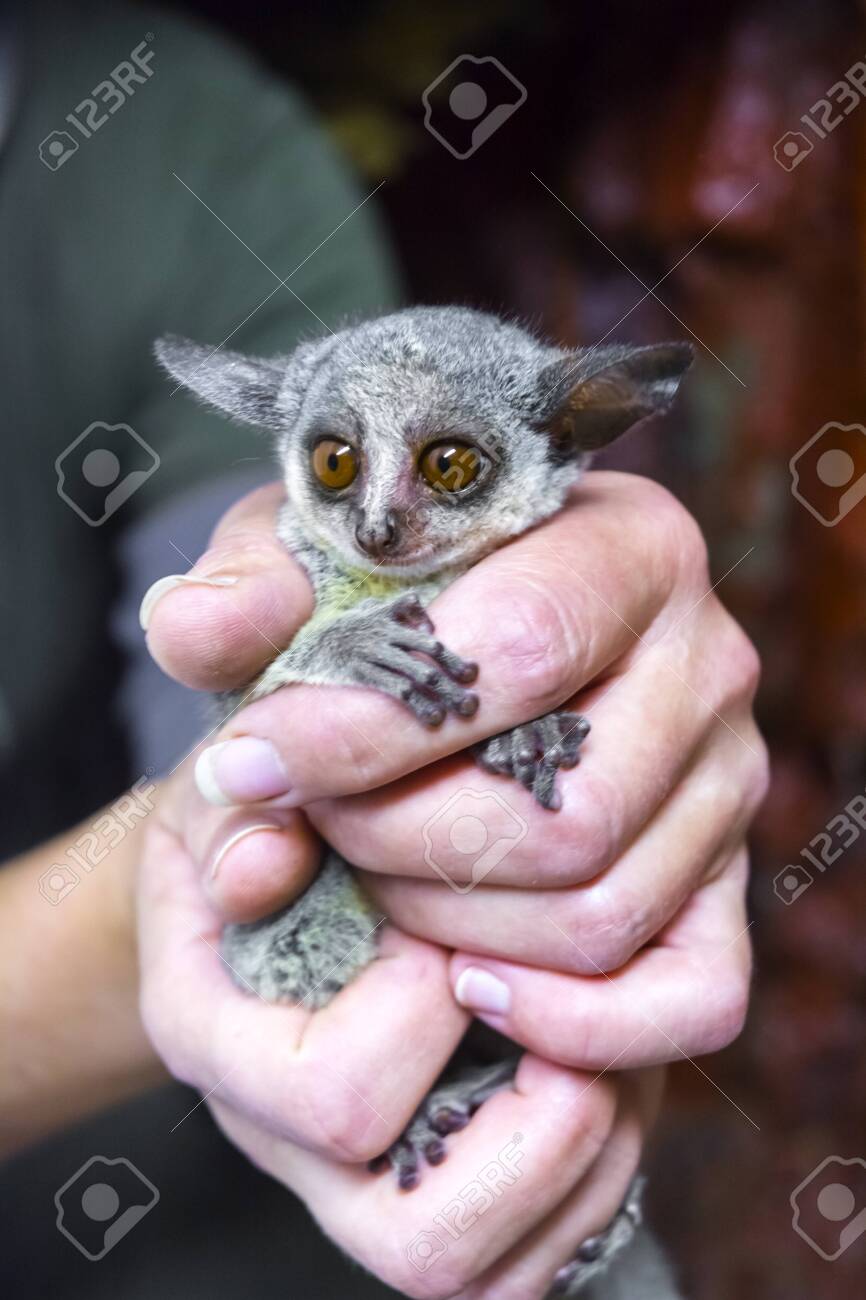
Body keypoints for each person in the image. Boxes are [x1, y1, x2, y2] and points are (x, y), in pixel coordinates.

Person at [0, 3, 767, 1297]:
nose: (380, 517)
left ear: (555, 445)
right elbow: (243, 782)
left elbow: (208, 747)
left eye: (448, 467)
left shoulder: (196, 151)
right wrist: (286, 738)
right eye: (341, 463)